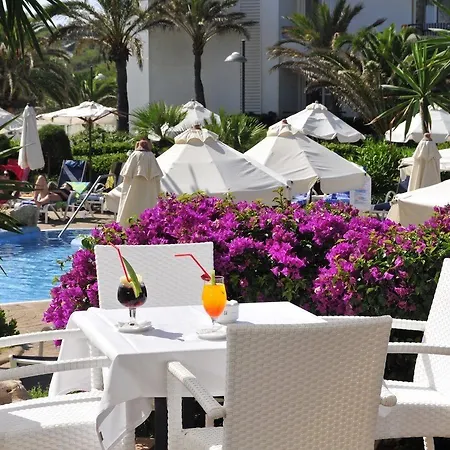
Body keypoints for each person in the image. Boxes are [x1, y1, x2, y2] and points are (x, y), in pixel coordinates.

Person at [116, 139, 163, 227]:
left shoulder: (135, 155)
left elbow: (127, 176)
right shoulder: (150, 156)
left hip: (134, 188)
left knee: (130, 205)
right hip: (147, 189)